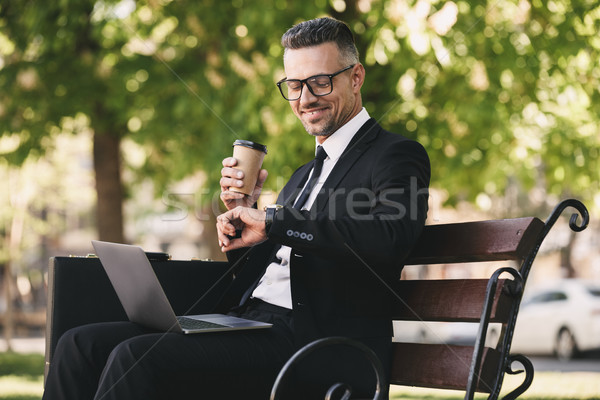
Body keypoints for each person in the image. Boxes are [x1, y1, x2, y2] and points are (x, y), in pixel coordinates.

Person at [42, 17, 430, 400]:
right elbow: (280, 262)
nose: (305, 98)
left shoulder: (394, 154)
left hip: (319, 346)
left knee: (137, 356)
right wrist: (245, 222)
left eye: (320, 82)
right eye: (294, 86)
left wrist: (275, 220)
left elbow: (389, 236)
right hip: (249, 323)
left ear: (356, 77)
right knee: (80, 344)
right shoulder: (303, 175)